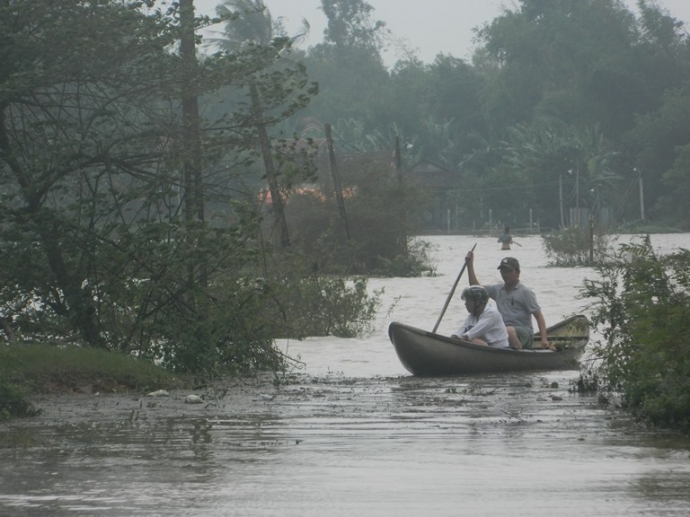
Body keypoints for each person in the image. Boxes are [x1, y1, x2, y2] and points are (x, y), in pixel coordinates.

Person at [465, 252, 552, 350]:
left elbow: (539, 316)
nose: (505, 275)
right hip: (503, 331)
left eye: (509, 271)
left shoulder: (525, 292)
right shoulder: (498, 289)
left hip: (524, 332)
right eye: (503, 271)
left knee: (509, 330)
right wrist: (469, 265)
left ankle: (519, 353)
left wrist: (544, 340)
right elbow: (476, 288)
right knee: (475, 334)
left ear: (518, 273)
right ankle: (490, 353)